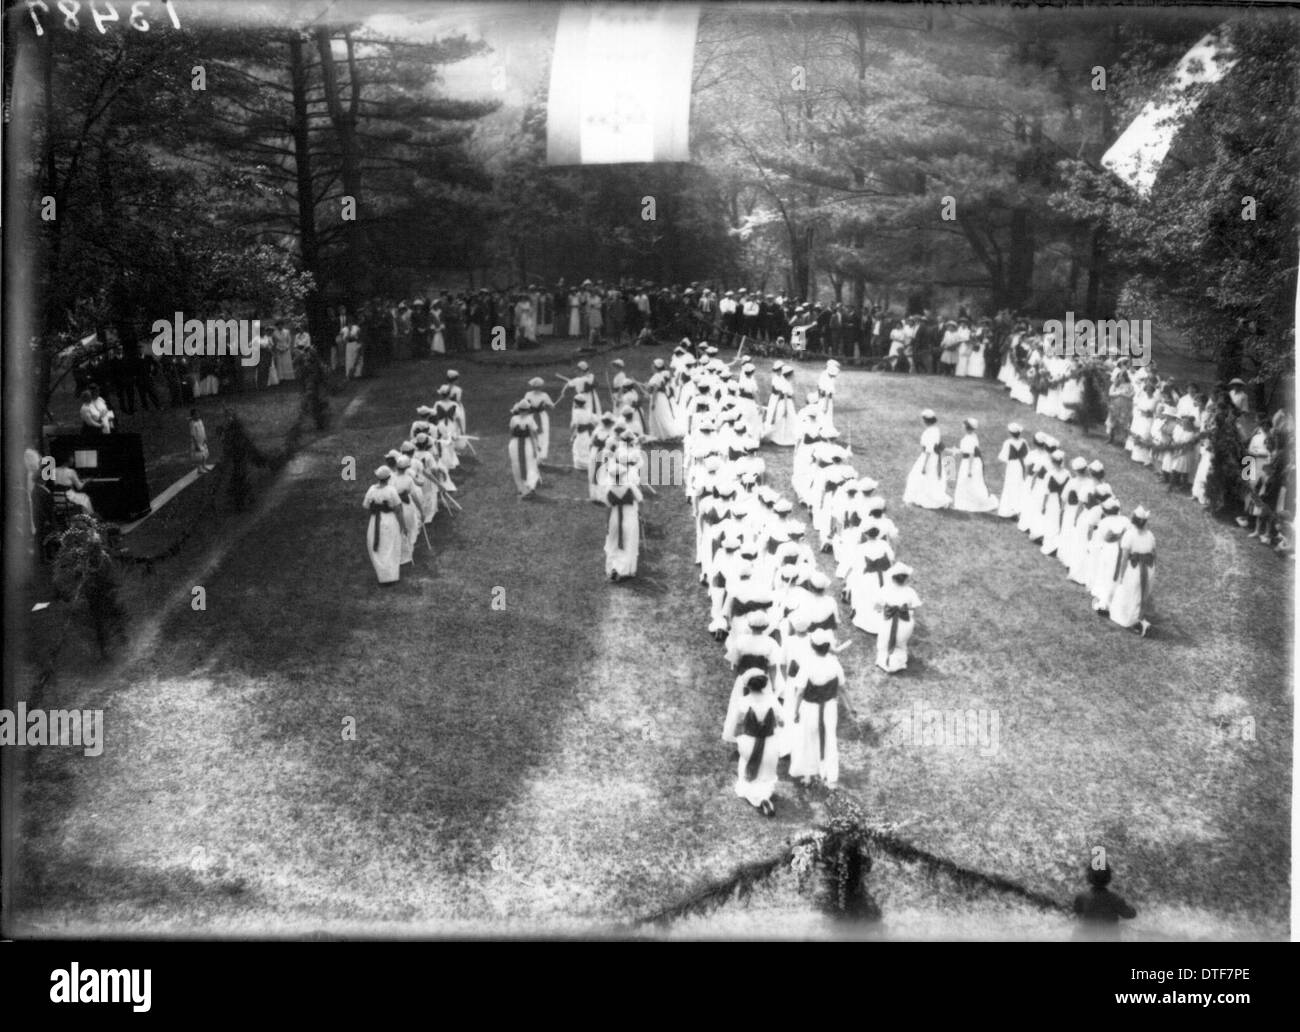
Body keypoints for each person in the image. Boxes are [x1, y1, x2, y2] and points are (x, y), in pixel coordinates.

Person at [788, 628, 844, 788]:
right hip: (829, 707)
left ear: (812, 646)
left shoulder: (807, 664)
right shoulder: (835, 663)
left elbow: (799, 692)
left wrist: (795, 711)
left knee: (807, 738)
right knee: (830, 738)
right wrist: (851, 707)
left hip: (810, 707)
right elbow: (842, 688)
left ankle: (808, 774)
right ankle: (830, 776)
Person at [730, 670, 783, 817]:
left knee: (745, 764)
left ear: (748, 685)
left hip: (749, 744)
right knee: (766, 773)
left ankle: (758, 797)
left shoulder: (744, 701)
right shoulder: (772, 700)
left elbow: (739, 723)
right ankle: (765, 796)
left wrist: (736, 738)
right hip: (770, 745)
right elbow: (781, 720)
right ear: (764, 684)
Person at [1109, 506, 1155, 635]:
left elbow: (1124, 558)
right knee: (1141, 592)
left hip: (1134, 569)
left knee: (1129, 592)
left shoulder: (1129, 535)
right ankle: (1138, 617)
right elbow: (1154, 554)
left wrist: (1121, 575)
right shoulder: (1150, 535)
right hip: (1148, 568)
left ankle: (1131, 620)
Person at [874, 563, 922, 673]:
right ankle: (898, 659)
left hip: (886, 622)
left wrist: (884, 609)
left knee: (884, 640)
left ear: (892, 578)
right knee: (901, 642)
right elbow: (915, 608)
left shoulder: (885, 589)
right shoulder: (910, 592)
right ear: (906, 579)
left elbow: (877, 607)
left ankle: (883, 658)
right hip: (904, 624)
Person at [363, 466, 406, 585]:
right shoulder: (391, 490)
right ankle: (390, 576)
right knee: (390, 545)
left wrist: (375, 506)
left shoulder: (371, 489)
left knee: (379, 547)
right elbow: (398, 509)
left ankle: (383, 576)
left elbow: (366, 505)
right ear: (388, 478)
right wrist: (403, 525)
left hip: (375, 520)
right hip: (388, 520)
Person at [1072, 863, 1137, 941]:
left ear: (1088, 878)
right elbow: (1130, 914)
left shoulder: (1081, 897)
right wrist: (1132, 906)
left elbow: (1078, 914)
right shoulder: (1115, 898)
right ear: (1109, 878)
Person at [902, 410, 951, 509]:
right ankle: (920, 498)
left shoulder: (930, 432)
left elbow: (929, 449)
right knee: (926, 478)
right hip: (933, 457)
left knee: (919, 477)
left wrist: (924, 465)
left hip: (929, 457)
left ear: (926, 421)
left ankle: (926, 499)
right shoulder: (935, 430)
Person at [604, 466, 644, 581]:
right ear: (623, 475)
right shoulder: (630, 486)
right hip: (630, 518)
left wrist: (607, 524)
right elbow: (641, 501)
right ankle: (626, 570)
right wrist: (641, 515)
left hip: (614, 519)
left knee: (614, 543)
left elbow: (608, 508)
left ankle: (614, 567)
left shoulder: (609, 488)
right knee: (629, 542)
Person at [953, 418, 998, 513]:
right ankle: (966, 502)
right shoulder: (971, 436)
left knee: (968, 481)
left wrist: (969, 470)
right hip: (971, 462)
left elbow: (971, 454)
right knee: (967, 482)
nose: (962, 427)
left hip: (971, 463)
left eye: (964, 425)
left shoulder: (970, 438)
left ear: (967, 427)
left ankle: (971, 503)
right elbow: (966, 450)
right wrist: (956, 451)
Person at [508, 402, 541, 499]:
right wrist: (536, 446)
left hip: (522, 444)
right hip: (519, 444)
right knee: (522, 465)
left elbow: (531, 434)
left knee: (526, 465)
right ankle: (524, 488)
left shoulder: (519, 419)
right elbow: (532, 433)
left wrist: (535, 447)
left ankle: (527, 488)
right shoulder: (517, 419)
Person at [996, 423, 1028, 519]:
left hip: (1012, 466)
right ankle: (1018, 508)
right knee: (1019, 485)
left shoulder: (1008, 443)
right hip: (1020, 465)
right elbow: (1027, 454)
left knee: (1010, 485)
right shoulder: (1024, 441)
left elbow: (1002, 457)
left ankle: (1009, 509)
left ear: (1010, 433)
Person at [189, 409, 214, 473]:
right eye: (195, 414)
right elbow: (193, 435)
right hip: (197, 442)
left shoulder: (200, 421)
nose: (197, 415)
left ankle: (204, 466)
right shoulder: (192, 424)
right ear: (192, 416)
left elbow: (203, 430)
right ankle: (199, 469)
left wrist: (205, 437)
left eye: (198, 414)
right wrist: (196, 444)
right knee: (198, 456)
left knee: (205, 454)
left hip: (202, 440)